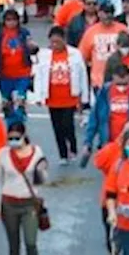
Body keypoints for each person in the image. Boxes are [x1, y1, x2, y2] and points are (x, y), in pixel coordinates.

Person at [0, 121, 49, 255]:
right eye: (10, 138)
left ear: (24, 136)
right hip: (9, 203)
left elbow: (43, 178)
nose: (13, 141)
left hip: (29, 203)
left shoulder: (36, 152)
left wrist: (41, 172)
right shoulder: (3, 154)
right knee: (13, 244)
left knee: (31, 242)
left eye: (16, 138)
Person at [33, 26, 86, 163]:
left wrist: (83, 96)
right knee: (57, 127)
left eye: (58, 42)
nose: (55, 45)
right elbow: (39, 76)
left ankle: (72, 148)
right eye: (52, 42)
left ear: (64, 40)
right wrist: (38, 96)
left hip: (69, 97)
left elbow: (82, 75)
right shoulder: (44, 56)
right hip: (53, 98)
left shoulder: (75, 54)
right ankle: (63, 154)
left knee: (67, 124)